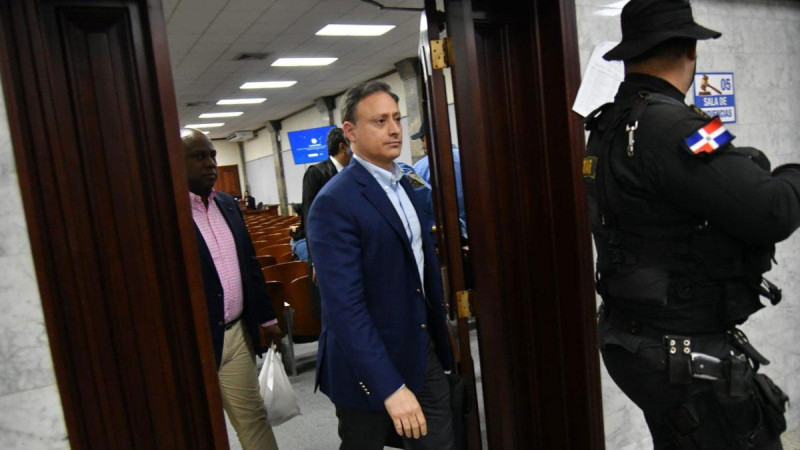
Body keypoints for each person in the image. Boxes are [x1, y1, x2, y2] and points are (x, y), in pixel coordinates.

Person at [583, 1, 800, 448]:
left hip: (633, 339)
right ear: (691, 50)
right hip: (679, 348)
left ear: (629, 54)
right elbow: (774, 210)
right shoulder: (674, 126)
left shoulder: (607, 124)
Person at [307, 80, 455, 450]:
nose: (394, 129)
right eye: (379, 121)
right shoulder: (334, 202)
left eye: (396, 118)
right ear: (350, 132)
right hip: (366, 362)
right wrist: (389, 387)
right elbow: (345, 308)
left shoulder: (405, 184)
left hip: (420, 347)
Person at [182, 128, 283, 450]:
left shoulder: (227, 204)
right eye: (199, 156)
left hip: (235, 335)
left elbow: (250, 265)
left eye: (213, 155)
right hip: (193, 342)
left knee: (253, 419)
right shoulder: (165, 212)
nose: (210, 163)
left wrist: (267, 318)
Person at [299, 127, 352, 317]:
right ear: (342, 147)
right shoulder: (316, 173)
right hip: (327, 251)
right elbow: (310, 219)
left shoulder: (353, 173)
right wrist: (315, 261)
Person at [411, 120, 467, 238]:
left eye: (422, 140)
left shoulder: (420, 168)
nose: (423, 146)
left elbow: (417, 202)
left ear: (429, 138)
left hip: (443, 235)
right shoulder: (467, 157)